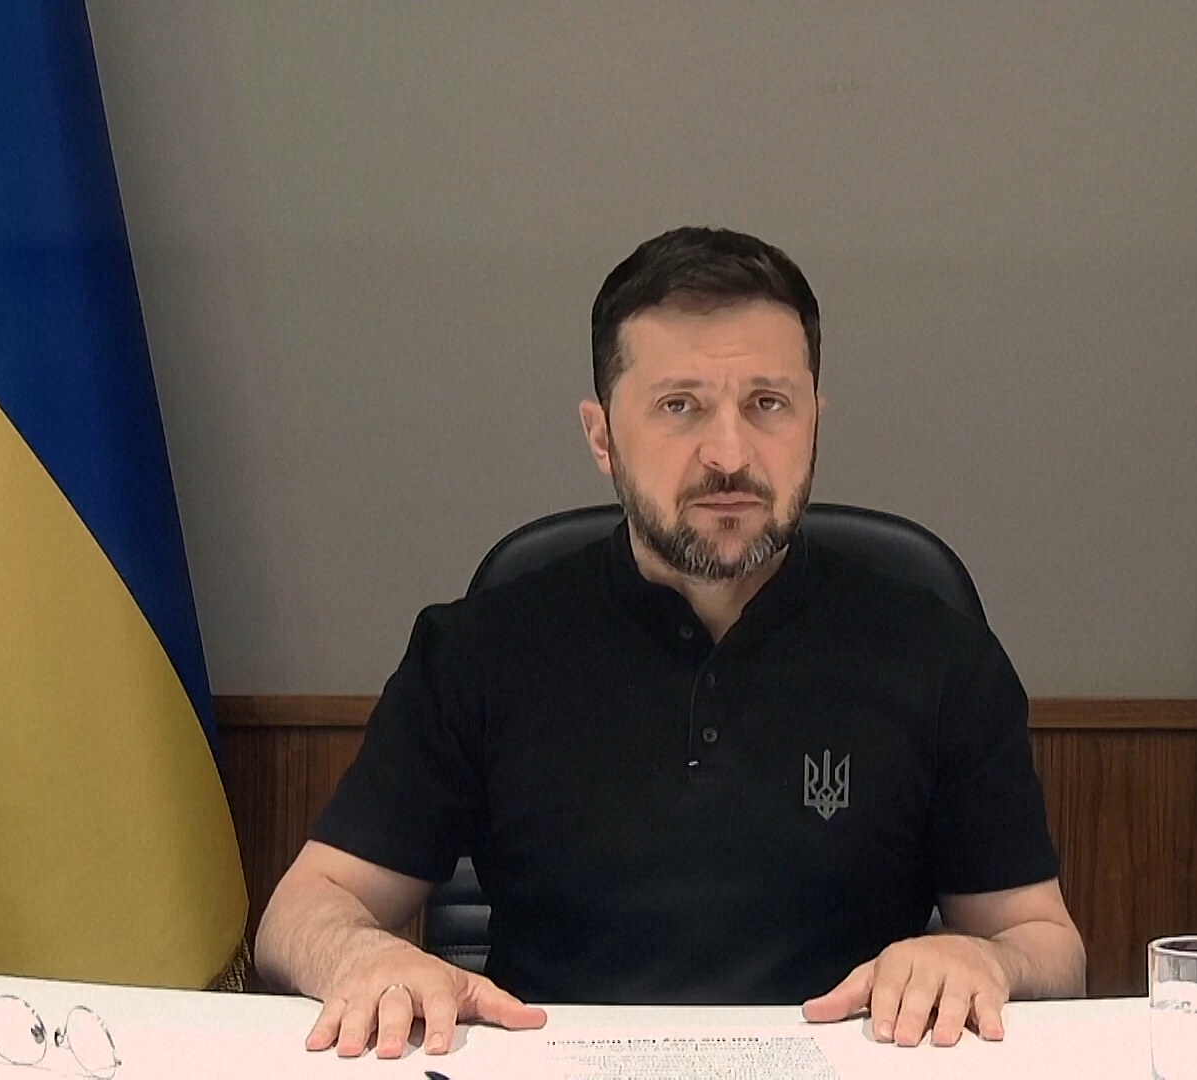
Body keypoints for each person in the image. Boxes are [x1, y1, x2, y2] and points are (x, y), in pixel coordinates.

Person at [254, 227, 1085, 1060]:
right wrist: (360, 956)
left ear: (815, 422)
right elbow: (304, 909)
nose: (729, 454)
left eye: (768, 404)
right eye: (678, 406)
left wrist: (984, 959)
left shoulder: (938, 655)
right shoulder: (478, 650)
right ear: (602, 437)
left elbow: (1047, 944)